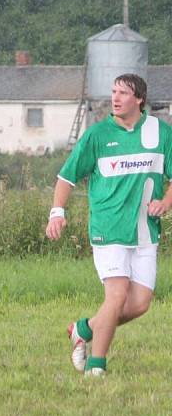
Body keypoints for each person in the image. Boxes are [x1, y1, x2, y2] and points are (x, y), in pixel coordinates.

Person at [46, 74, 172, 376]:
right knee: (115, 298)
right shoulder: (97, 135)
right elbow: (67, 177)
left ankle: (84, 329)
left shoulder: (161, 132)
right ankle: (96, 367)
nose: (115, 98)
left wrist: (165, 203)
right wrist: (57, 212)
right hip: (108, 228)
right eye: (113, 92)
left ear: (139, 99)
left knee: (139, 304)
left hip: (145, 232)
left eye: (123, 93)